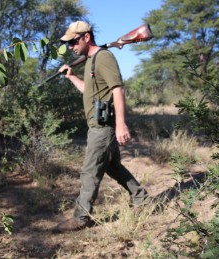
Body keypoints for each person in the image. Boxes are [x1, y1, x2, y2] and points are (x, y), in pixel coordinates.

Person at [55, 21, 149, 232]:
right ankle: (141, 198)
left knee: (90, 171)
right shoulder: (90, 61)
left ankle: (81, 217)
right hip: (97, 125)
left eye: (73, 41)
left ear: (86, 37)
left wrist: (121, 124)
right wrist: (71, 77)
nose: (71, 46)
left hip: (103, 126)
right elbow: (88, 92)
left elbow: (118, 90)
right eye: (69, 43)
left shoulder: (103, 57)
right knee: (113, 167)